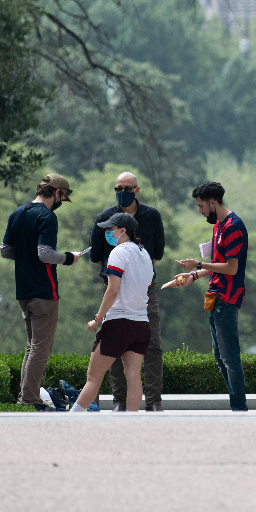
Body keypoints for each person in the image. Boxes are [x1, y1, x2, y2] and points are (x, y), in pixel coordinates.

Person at [0, 173, 85, 410]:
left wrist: (25, 255)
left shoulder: (17, 213)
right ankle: (28, 398)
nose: (61, 202)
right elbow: (45, 254)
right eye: (62, 196)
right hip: (43, 290)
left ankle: (25, 396)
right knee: (41, 347)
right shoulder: (47, 217)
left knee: (31, 345)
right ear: (56, 193)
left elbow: (6, 250)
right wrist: (69, 258)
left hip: (23, 291)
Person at [89, 171, 166, 411]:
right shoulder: (105, 217)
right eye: (118, 188)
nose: (123, 192)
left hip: (145, 291)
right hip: (113, 287)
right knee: (113, 345)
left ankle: (153, 402)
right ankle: (119, 402)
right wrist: (119, 275)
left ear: (137, 190)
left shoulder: (151, 217)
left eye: (127, 188)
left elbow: (157, 254)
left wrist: (137, 276)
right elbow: (97, 256)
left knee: (151, 344)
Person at [172, 180, 250, 410]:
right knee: (219, 357)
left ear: (213, 202)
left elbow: (231, 268)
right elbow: (217, 264)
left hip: (227, 299)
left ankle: (239, 407)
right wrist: (194, 275)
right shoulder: (218, 226)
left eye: (201, 206)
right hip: (214, 297)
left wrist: (197, 263)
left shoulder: (234, 227)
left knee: (230, 358)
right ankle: (236, 404)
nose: (200, 211)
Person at [69, 213, 155, 412]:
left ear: (122, 231)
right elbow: (147, 287)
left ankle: (70, 419)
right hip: (141, 323)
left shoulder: (118, 253)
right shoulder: (145, 255)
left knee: (93, 378)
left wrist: (97, 319)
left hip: (119, 323)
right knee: (133, 376)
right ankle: (131, 422)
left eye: (110, 229)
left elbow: (112, 290)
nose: (108, 232)